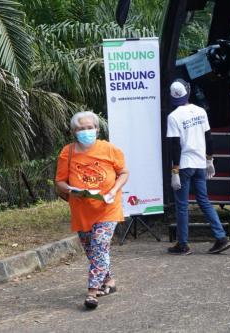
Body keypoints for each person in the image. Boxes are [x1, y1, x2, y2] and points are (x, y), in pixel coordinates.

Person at [55, 111, 129, 309]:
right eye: (80, 129)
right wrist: (71, 190)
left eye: (89, 127)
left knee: (99, 246)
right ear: (74, 132)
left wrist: (113, 190)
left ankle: (92, 292)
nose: (86, 131)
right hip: (82, 210)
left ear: (97, 129)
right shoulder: (67, 152)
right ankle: (109, 281)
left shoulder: (110, 149)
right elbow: (60, 181)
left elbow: (123, 172)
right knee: (93, 250)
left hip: (107, 207)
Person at [166, 79, 230, 255]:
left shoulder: (173, 117)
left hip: (184, 165)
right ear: (188, 92)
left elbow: (175, 146)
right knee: (204, 201)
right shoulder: (200, 111)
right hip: (200, 163)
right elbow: (209, 138)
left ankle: (183, 244)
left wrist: (175, 171)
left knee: (182, 205)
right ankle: (221, 237)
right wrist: (210, 160)